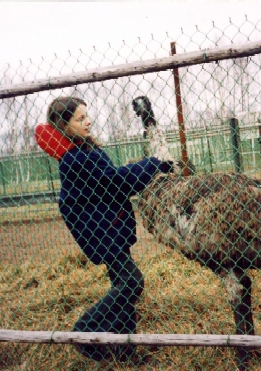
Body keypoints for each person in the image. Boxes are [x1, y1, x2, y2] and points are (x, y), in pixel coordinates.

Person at [37, 96, 172, 362]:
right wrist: (154, 164)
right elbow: (115, 182)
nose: (87, 122)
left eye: (87, 116)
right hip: (103, 231)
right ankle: (84, 331)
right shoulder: (75, 160)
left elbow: (110, 180)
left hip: (109, 227)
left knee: (123, 286)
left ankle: (125, 352)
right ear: (63, 125)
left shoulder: (83, 151)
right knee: (132, 283)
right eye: (79, 118)